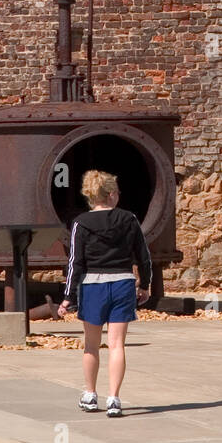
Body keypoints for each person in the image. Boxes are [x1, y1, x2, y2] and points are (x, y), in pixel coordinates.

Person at [58, 169, 152, 417]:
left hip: (93, 286)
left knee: (91, 345)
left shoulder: (80, 223)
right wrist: (145, 285)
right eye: (117, 192)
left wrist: (68, 296)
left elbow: (75, 262)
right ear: (111, 194)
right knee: (117, 345)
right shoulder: (129, 219)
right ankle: (114, 399)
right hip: (122, 283)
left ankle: (90, 395)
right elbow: (143, 256)